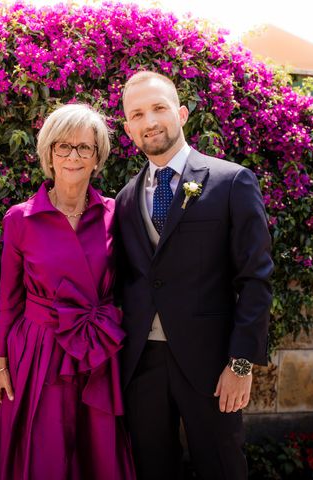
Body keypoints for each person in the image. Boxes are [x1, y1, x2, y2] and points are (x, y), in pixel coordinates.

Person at [115, 71, 274, 480]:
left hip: (211, 365)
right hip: (141, 364)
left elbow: (255, 279)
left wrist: (240, 364)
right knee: (153, 468)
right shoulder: (125, 199)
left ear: (181, 113)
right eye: (138, 114)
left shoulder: (231, 181)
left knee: (222, 466)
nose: (150, 121)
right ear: (129, 129)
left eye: (159, 108)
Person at [0, 103, 135, 480]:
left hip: (97, 349)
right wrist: (0, 365)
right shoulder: (20, 217)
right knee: (43, 450)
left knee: (95, 449)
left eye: (84, 147)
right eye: (63, 147)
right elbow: (8, 299)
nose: (73, 156)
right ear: (48, 153)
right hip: (39, 350)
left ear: (98, 156)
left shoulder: (115, 213)